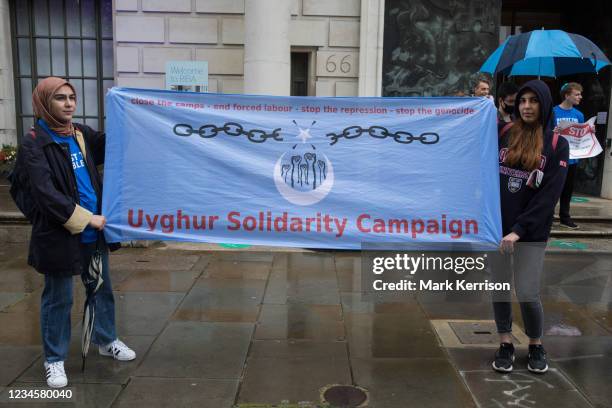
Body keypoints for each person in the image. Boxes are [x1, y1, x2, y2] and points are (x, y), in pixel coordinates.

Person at [15, 77, 135, 388]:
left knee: (101, 289)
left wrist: (131, 112)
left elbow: (113, 146)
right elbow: (45, 193)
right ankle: (54, 360)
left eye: (72, 97)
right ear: (44, 103)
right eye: (60, 98)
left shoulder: (79, 133)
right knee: (59, 298)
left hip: (94, 233)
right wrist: (85, 219)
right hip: (60, 235)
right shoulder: (34, 142)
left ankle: (106, 340)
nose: (69, 103)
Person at [491, 80, 569, 374]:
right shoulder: (503, 134)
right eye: (522, 100)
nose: (526, 106)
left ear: (544, 105)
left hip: (530, 234)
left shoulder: (556, 145)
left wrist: (519, 230)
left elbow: (548, 196)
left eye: (533, 101)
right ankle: (505, 342)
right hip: (496, 230)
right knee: (499, 289)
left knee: (526, 291)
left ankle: (535, 344)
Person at [553, 82, 584, 229]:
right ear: (567, 95)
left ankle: (565, 217)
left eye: (580, 94)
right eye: (577, 94)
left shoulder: (579, 115)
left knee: (568, 189)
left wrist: (590, 131)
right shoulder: (553, 112)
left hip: (572, 158)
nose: (580, 97)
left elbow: (582, 137)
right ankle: (548, 215)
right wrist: (553, 131)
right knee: (552, 187)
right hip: (555, 157)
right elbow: (544, 133)